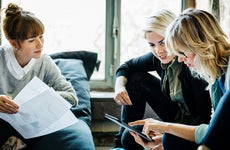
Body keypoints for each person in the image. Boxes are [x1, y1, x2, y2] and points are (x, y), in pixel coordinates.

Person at [129, 8, 230, 150]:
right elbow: (213, 129)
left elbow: (215, 131)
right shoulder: (215, 78)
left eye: (183, 52)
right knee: (168, 140)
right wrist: (166, 134)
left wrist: (166, 127)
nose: (180, 59)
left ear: (201, 45)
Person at [0, 3, 95, 150]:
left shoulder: (44, 62)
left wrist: (43, 99)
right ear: (13, 43)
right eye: (31, 40)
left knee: (78, 137)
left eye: (41, 37)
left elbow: (72, 97)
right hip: (3, 123)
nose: (40, 44)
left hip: (36, 126)